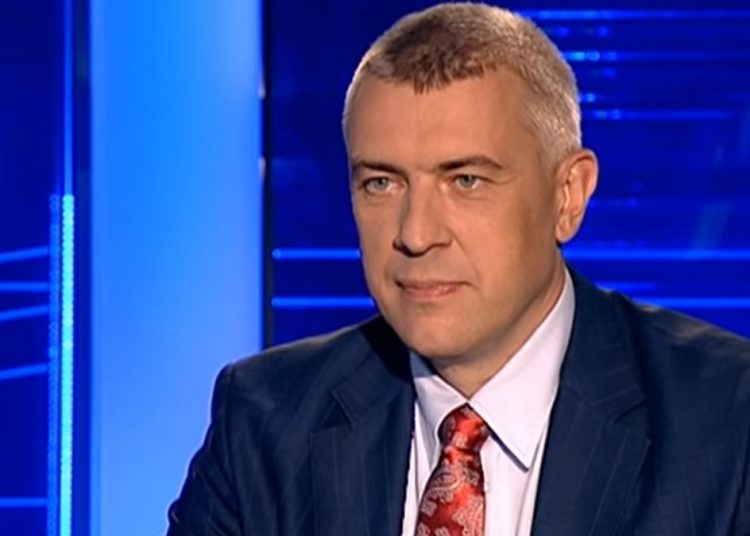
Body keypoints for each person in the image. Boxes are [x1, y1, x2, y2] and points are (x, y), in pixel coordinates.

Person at [167, 3, 750, 535]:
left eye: (466, 180)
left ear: (568, 195)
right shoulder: (263, 422)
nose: (416, 234)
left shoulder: (727, 419)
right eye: (381, 183)